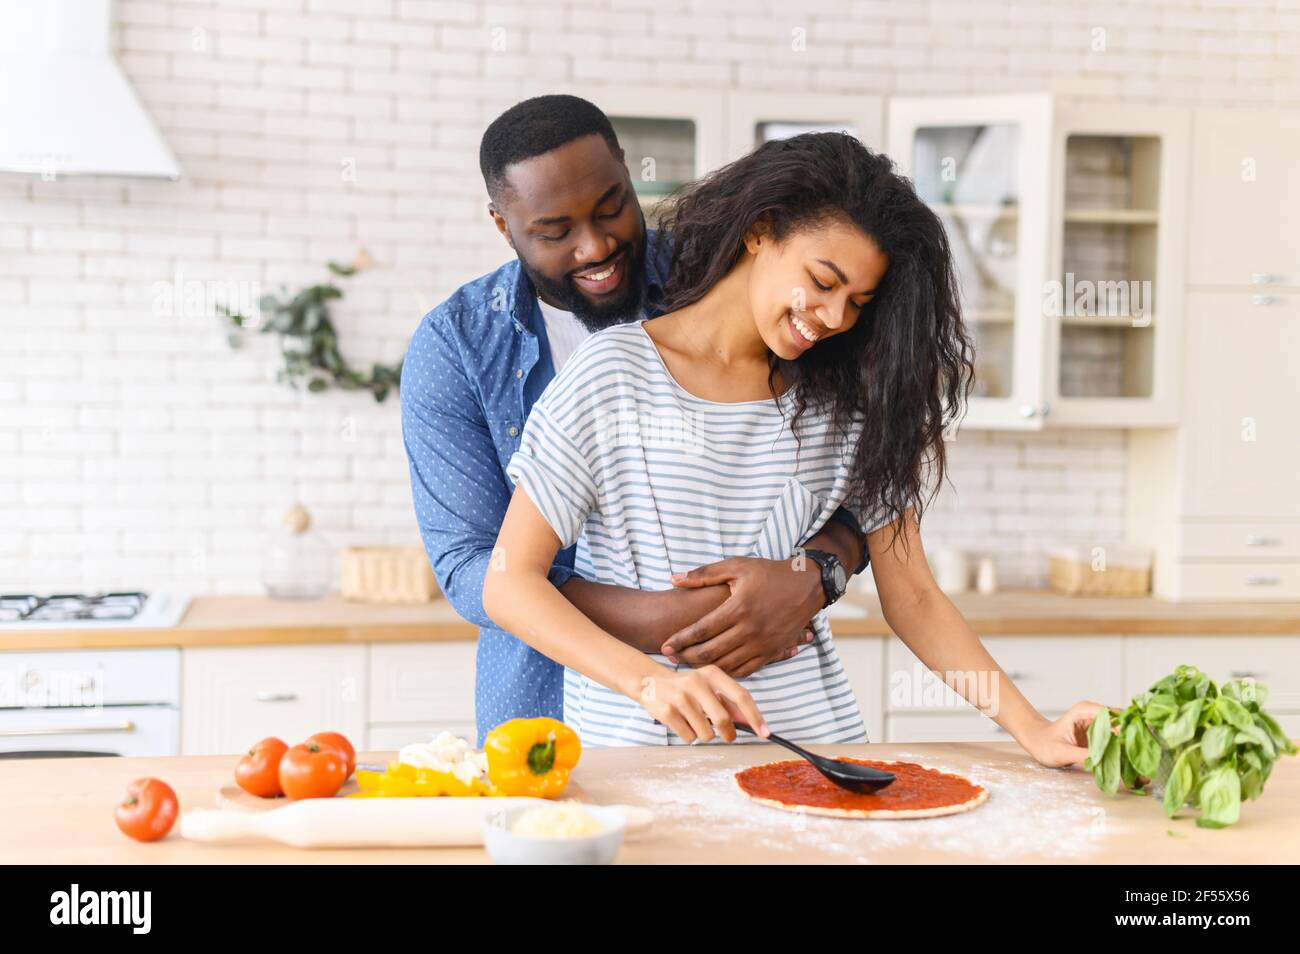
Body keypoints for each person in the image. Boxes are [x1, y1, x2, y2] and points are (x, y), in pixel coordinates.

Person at [484, 131, 1108, 766]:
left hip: (817, 751)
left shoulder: (848, 401)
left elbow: (913, 594)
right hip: (645, 753)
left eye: (857, 302)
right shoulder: (612, 374)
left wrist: (1032, 728)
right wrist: (652, 681)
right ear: (761, 232)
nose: (835, 317)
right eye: (823, 280)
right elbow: (510, 584)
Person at [401, 96, 867, 746]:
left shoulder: (713, 274)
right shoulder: (455, 345)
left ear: (627, 171)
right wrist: (663, 620)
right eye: (555, 231)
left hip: (756, 699)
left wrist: (818, 573)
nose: (596, 246)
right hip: (540, 698)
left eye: (611, 205)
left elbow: (860, 458)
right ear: (503, 226)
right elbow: (472, 566)